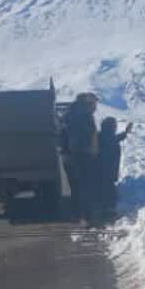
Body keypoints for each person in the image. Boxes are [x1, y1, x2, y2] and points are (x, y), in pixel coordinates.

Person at [61, 93, 99, 222]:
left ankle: (78, 214)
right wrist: (87, 152)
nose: (95, 107)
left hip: (71, 157)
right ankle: (88, 216)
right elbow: (80, 138)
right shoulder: (82, 117)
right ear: (87, 103)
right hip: (80, 157)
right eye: (94, 104)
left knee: (76, 187)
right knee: (85, 186)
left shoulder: (71, 114)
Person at [93, 116, 133, 220]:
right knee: (107, 190)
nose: (115, 127)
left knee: (104, 189)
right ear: (110, 127)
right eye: (114, 125)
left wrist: (125, 133)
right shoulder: (106, 137)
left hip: (103, 169)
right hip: (106, 169)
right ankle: (107, 211)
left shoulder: (102, 135)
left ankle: (104, 209)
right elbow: (113, 141)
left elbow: (116, 139)